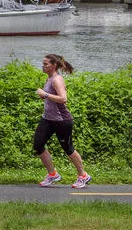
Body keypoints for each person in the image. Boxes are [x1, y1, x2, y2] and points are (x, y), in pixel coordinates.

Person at [34, 54, 91, 189]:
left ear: (54, 65)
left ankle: (83, 175)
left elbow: (63, 98)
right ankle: (52, 174)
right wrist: (45, 97)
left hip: (62, 120)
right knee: (38, 144)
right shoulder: (49, 79)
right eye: (43, 63)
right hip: (47, 119)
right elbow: (51, 98)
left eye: (46, 64)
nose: (43, 66)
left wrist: (46, 95)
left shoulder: (57, 79)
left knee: (68, 148)